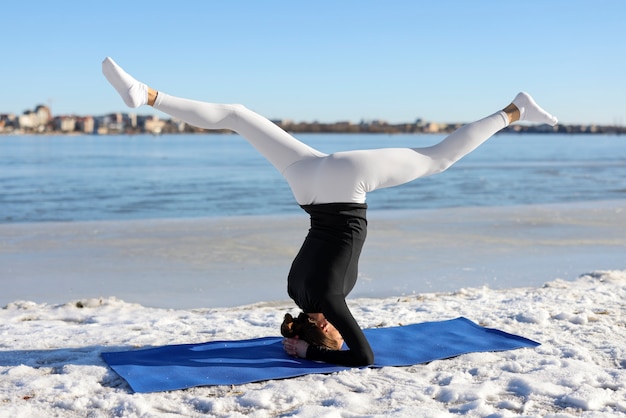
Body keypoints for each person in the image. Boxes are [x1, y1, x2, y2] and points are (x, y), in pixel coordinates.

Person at [102, 57, 558, 367]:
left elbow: (364, 358)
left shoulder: (329, 303)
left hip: (345, 184)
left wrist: (310, 353)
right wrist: (301, 336)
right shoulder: (296, 291)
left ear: (327, 329)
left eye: (334, 334)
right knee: (237, 115)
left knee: (437, 157)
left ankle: (515, 110)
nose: (343, 333)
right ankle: (149, 94)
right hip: (307, 183)